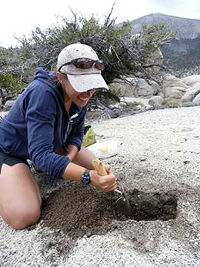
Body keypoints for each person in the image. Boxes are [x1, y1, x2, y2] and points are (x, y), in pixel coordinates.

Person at [0, 43, 117, 230]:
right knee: (24, 215)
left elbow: (77, 135)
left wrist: (69, 158)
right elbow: (41, 156)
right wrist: (88, 177)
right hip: (11, 149)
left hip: (49, 143)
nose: (88, 93)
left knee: (92, 161)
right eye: (83, 86)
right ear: (61, 77)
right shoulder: (43, 94)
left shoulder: (81, 95)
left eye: (92, 85)